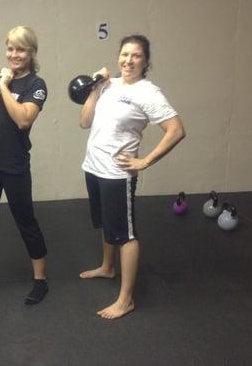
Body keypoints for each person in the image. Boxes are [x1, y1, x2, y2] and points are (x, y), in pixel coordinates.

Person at [79, 34, 186, 319]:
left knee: (126, 235)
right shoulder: (108, 85)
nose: (128, 60)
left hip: (117, 173)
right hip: (94, 166)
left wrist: (145, 161)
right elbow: (84, 122)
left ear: (145, 61)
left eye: (136, 56)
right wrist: (95, 88)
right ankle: (107, 267)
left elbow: (176, 130)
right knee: (105, 222)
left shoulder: (148, 92)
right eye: (125, 54)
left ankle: (126, 299)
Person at [0, 26, 49, 305]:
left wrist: (5, 86)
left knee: (25, 219)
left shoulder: (35, 85)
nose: (14, 54)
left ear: (31, 52)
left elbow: (24, 120)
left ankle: (40, 279)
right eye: (10, 48)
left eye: (20, 49)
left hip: (14, 163)